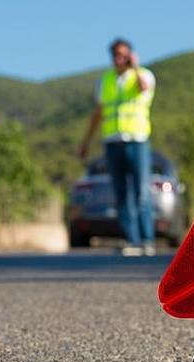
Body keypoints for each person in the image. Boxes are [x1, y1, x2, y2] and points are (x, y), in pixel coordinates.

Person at [78, 38, 156, 256]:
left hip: (137, 140)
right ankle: (131, 240)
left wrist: (136, 66)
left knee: (141, 191)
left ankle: (147, 240)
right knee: (121, 194)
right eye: (115, 55)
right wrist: (86, 141)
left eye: (123, 54)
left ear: (130, 55)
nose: (118, 59)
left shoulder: (143, 75)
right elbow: (98, 113)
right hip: (112, 142)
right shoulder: (106, 81)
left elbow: (144, 88)